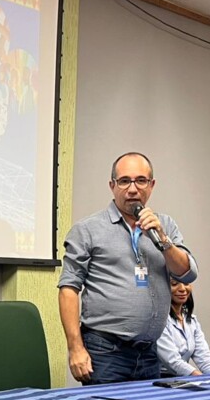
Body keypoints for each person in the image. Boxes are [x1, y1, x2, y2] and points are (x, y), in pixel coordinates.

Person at [58, 152, 198, 384]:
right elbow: (68, 289)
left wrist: (163, 240)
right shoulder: (88, 229)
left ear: (152, 185)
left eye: (141, 180)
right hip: (105, 352)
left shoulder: (165, 225)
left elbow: (187, 273)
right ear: (112, 186)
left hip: (150, 353)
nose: (133, 189)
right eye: (124, 181)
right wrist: (75, 348)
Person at [157, 278, 210, 376]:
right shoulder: (158, 321)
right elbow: (173, 362)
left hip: (182, 378)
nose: (183, 289)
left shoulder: (192, 321)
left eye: (186, 283)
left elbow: (205, 359)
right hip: (160, 379)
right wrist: (202, 378)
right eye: (174, 284)